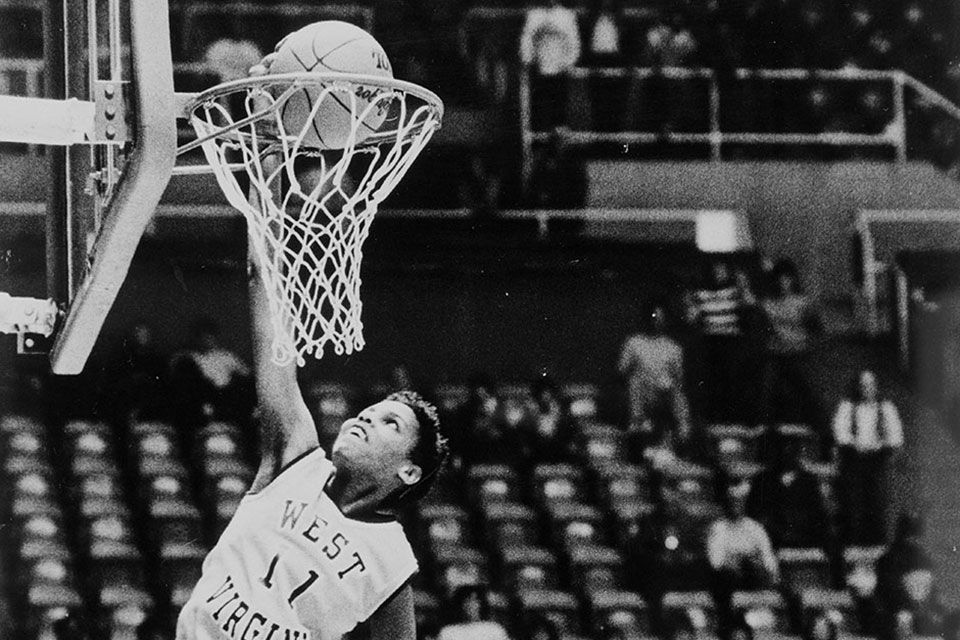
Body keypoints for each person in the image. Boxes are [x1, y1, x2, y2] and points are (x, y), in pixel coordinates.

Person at [175, 55, 451, 640]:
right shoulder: (297, 456)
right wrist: (267, 176)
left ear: (408, 469)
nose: (363, 418)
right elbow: (269, 318)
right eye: (372, 411)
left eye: (387, 424)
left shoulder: (393, 566)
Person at [831, 369, 904, 545]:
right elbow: (840, 432)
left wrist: (882, 445)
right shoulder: (847, 407)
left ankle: (877, 543)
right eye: (863, 385)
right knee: (854, 503)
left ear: (876, 387)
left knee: (877, 502)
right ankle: (853, 543)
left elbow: (896, 436)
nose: (866, 389)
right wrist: (853, 444)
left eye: (870, 385)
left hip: (877, 461)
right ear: (857, 387)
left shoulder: (886, 408)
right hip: (854, 460)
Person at [707, 475, 779, 637]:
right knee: (724, 579)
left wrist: (756, 564)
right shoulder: (719, 528)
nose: (735, 505)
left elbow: (768, 559)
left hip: (752, 577)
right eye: (732, 501)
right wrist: (736, 560)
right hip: (730, 579)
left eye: (739, 501)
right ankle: (731, 627)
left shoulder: (755, 528)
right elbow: (716, 562)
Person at [617, 304, 691, 451]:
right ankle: (638, 423)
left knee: (676, 393)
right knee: (635, 383)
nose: (656, 320)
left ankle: (683, 433)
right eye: (653, 316)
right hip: (640, 393)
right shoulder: (634, 342)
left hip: (663, 394)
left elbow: (679, 379)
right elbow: (622, 372)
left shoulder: (673, 347)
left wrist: (665, 384)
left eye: (660, 317)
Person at [759, 259, 821, 423]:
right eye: (780, 279)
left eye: (787, 278)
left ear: (793, 279)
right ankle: (770, 432)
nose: (783, 283)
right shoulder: (768, 304)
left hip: (798, 354)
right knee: (769, 395)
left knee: (808, 393)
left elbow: (816, 329)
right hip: (776, 355)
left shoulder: (803, 303)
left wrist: (808, 344)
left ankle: (820, 429)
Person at [519, 0, 581, 132]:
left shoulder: (567, 15)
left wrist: (567, 63)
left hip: (560, 73)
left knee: (559, 113)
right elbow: (526, 40)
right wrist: (528, 61)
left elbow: (574, 43)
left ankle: (558, 147)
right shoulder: (534, 14)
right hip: (538, 73)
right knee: (537, 111)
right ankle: (538, 145)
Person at [436, 585, 511, 640]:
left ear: (481, 604)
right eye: (467, 601)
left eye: (475, 600)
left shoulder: (494, 629)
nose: (471, 605)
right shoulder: (448, 632)